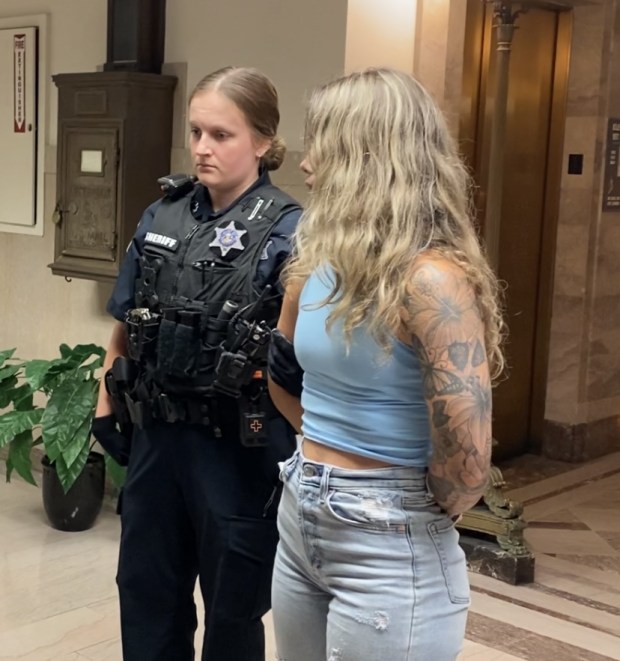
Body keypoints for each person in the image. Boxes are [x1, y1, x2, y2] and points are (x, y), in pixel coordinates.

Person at [267, 68, 505, 661]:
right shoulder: (314, 261)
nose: (305, 160)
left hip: (389, 534)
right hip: (302, 510)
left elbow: (469, 460)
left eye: (321, 140)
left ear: (366, 154)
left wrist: (397, 495)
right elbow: (283, 373)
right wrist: (324, 450)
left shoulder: (432, 280)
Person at [92, 66, 302, 661]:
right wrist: (105, 402)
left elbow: (299, 363)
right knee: (146, 592)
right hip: (158, 439)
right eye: (196, 132)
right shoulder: (164, 214)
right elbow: (126, 320)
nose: (204, 148)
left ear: (263, 142)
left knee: (234, 609)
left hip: (236, 451)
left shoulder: (290, 233)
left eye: (222, 134)